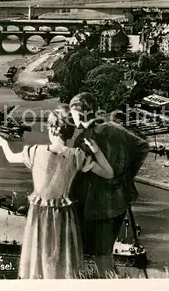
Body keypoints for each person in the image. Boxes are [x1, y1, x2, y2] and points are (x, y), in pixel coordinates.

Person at [0, 105, 115, 279]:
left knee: (39, 263)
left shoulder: (35, 151)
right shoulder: (77, 155)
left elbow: (11, 157)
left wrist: (4, 144)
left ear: (51, 128)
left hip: (38, 217)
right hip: (65, 218)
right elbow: (109, 173)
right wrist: (96, 150)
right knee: (64, 264)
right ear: (68, 132)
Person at [68, 92, 150, 278]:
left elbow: (79, 174)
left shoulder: (84, 139)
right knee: (105, 255)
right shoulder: (115, 127)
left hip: (98, 205)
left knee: (101, 256)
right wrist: (125, 178)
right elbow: (143, 146)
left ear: (79, 113)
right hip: (120, 201)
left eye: (73, 112)